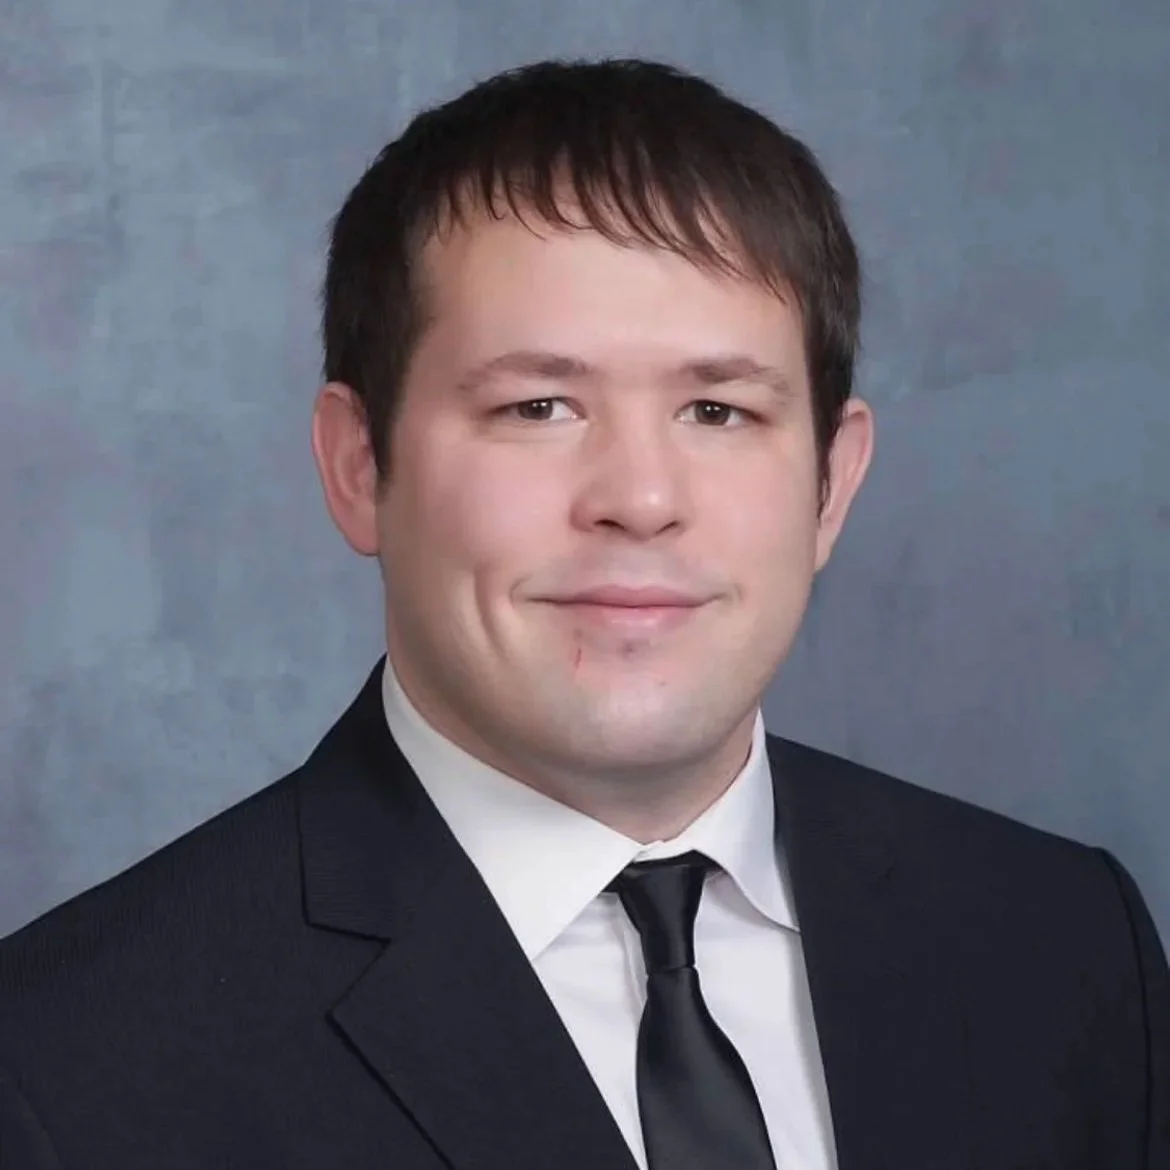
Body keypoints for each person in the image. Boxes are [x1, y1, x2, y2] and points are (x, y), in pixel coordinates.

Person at [0, 56, 1166, 1170]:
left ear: (832, 483)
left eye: (718, 412)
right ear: (359, 467)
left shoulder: (1066, 945)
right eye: (539, 407)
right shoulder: (66, 1066)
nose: (641, 500)